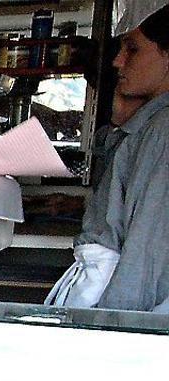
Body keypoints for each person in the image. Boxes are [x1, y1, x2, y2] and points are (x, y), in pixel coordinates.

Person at [48, 5, 169, 312]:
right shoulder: (146, 126)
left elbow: (147, 251)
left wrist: (115, 327)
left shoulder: (162, 130)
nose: (118, 61)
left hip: (115, 297)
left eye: (133, 49)